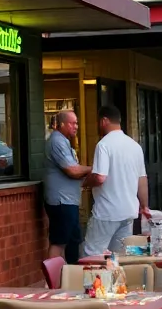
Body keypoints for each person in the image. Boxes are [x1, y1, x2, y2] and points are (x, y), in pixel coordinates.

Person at [83, 104, 148, 257]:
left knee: (93, 255)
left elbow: (100, 177)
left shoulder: (104, 145)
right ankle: (118, 281)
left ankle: (96, 281)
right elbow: (142, 179)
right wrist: (144, 206)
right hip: (129, 212)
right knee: (119, 256)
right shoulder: (135, 146)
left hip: (107, 212)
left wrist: (85, 183)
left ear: (104, 121)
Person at [44, 110, 90, 264]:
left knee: (73, 241)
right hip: (61, 202)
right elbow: (73, 170)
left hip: (70, 201)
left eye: (77, 122)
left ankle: (71, 278)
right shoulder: (57, 141)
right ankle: (51, 283)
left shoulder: (64, 141)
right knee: (59, 241)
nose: (76, 126)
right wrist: (94, 169)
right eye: (72, 123)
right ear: (61, 124)